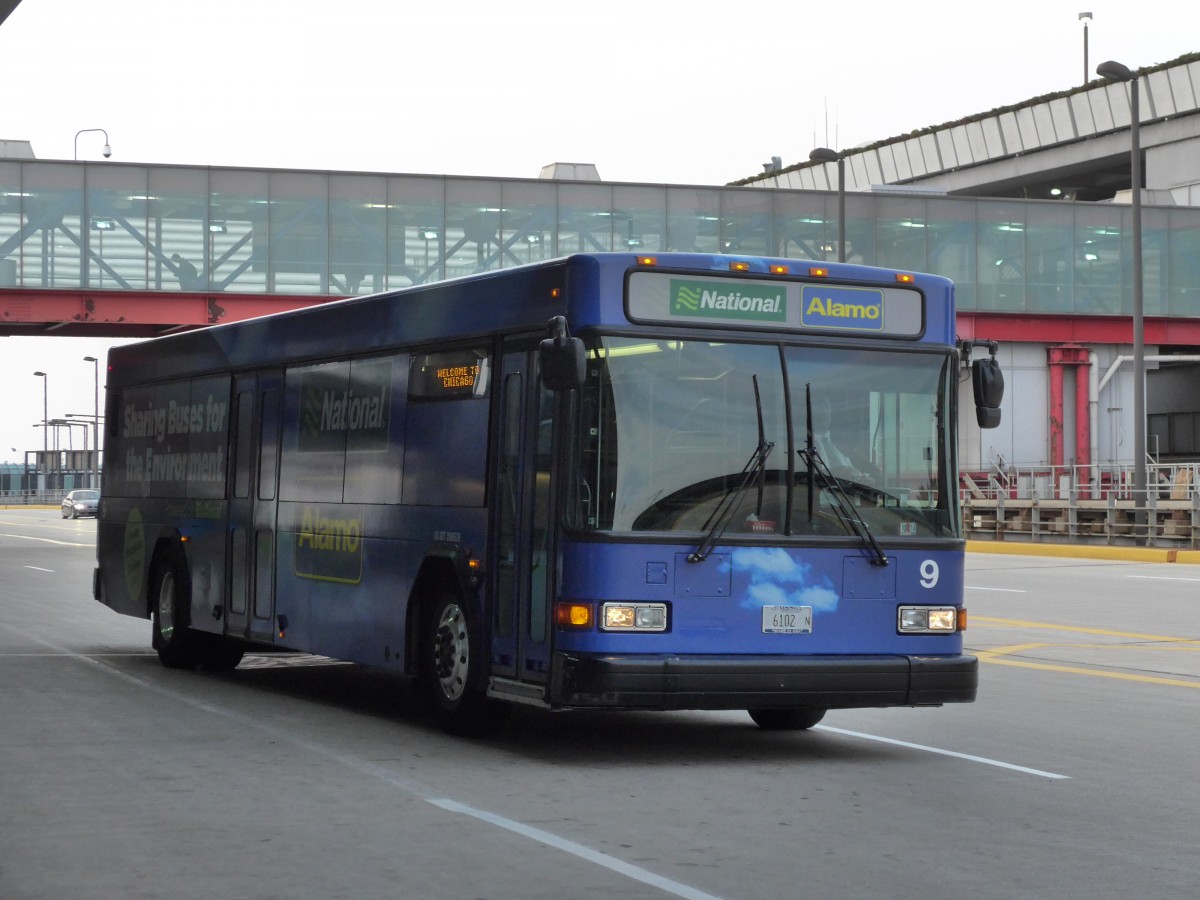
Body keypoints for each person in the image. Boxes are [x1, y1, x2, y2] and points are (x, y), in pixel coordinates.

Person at [809, 394, 867, 479]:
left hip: (853, 490)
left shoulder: (846, 440)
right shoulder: (800, 443)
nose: (824, 412)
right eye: (818, 407)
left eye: (826, 407)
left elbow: (864, 465)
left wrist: (869, 477)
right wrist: (835, 473)